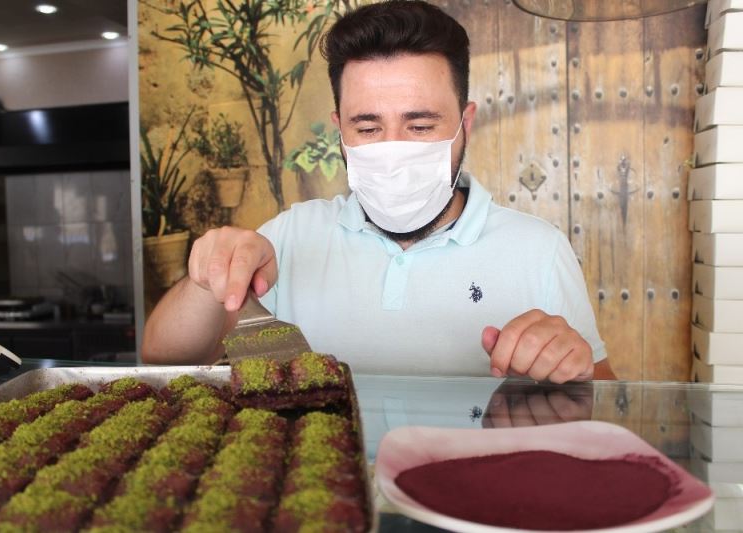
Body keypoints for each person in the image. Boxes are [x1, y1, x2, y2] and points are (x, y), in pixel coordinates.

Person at [143, 0, 616, 382]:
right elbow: (164, 361)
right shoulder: (290, 236)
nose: (393, 150)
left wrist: (572, 371)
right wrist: (205, 280)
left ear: (465, 123)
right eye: (367, 128)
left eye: (421, 126)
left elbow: (602, 403)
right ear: (340, 131)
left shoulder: (538, 250)